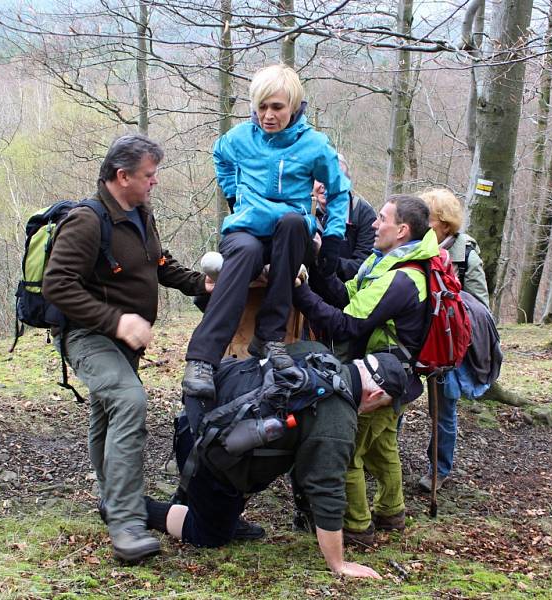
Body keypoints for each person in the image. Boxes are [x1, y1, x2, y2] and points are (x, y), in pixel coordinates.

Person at [42, 134, 212, 563]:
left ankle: (110, 499)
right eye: (149, 175)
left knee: (107, 411)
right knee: (128, 401)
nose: (154, 182)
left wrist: (202, 284)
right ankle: (126, 521)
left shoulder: (140, 212)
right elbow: (57, 285)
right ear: (123, 176)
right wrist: (117, 320)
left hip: (124, 343)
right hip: (86, 336)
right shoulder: (85, 221)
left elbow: (157, 263)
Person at [147, 350, 408, 579]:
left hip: (198, 417)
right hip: (206, 456)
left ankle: (213, 507)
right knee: (208, 534)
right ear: (376, 394)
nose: (377, 410)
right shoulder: (338, 420)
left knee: (236, 493)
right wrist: (338, 564)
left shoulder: (316, 355)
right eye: (383, 406)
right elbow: (327, 490)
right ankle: (135, 508)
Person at [182, 63, 350, 399]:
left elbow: (338, 188)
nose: (268, 116)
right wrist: (234, 195)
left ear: (294, 106)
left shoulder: (314, 144)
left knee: (290, 223)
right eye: (261, 107)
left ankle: (271, 338)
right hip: (247, 228)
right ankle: (202, 358)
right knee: (243, 251)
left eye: (276, 107)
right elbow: (220, 156)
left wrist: (332, 236)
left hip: (291, 236)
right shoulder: (241, 138)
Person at [293, 194, 437, 546]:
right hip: (398, 374)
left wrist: (298, 294)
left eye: (383, 219)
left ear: (402, 230)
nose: (375, 223)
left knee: (351, 449)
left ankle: (357, 527)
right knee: (382, 446)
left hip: (383, 376)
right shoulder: (388, 265)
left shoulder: (402, 278)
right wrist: (317, 269)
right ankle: (392, 511)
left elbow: (347, 324)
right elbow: (347, 296)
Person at [417, 188, 491, 492]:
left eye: (428, 219)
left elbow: (479, 307)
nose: (422, 225)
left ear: (445, 224)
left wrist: (449, 300)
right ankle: (384, 460)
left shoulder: (466, 255)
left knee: (443, 408)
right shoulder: (413, 245)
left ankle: (440, 469)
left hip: (446, 343)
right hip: (413, 335)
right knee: (395, 400)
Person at [311, 153, 377, 282]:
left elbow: (363, 266)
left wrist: (323, 255)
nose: (326, 185)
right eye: (320, 178)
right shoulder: (303, 208)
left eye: (334, 179)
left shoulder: (362, 213)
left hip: (344, 291)